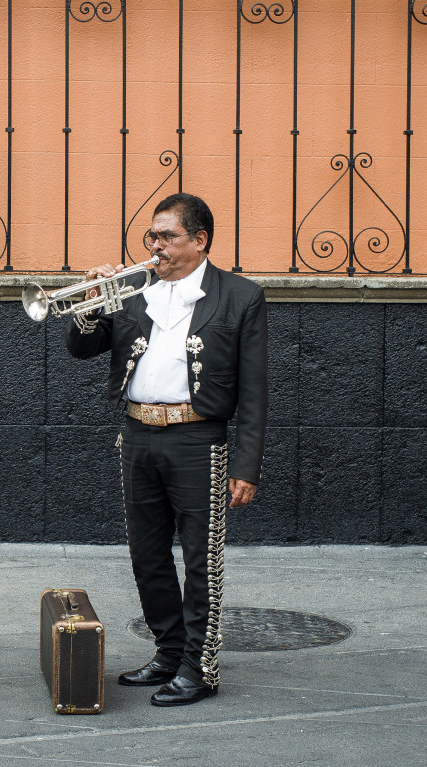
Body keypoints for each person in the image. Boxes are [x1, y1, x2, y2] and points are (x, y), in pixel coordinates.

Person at [66, 193, 267, 706]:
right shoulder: (133, 293)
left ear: (199, 241)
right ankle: (168, 651)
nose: (155, 246)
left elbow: (255, 390)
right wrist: (92, 302)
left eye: (167, 237)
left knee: (202, 557)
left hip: (199, 438)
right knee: (147, 554)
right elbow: (83, 349)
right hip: (137, 434)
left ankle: (200, 668)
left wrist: (245, 464)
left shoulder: (241, 297)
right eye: (151, 237)